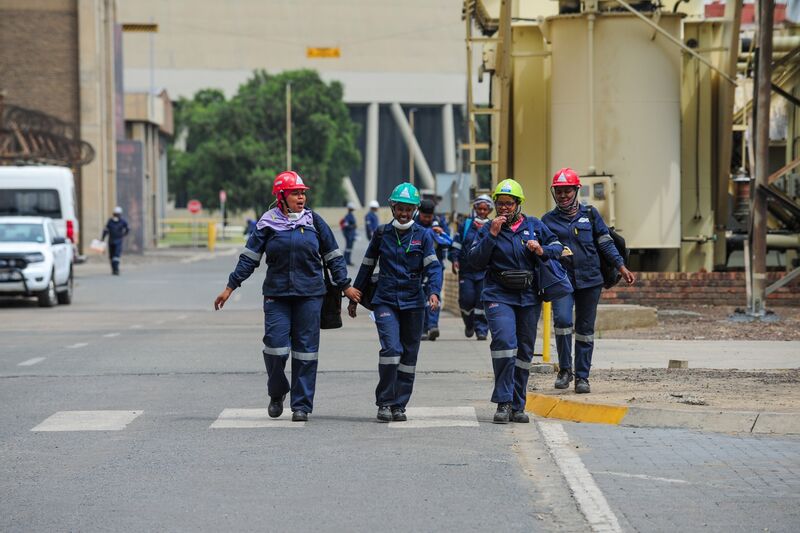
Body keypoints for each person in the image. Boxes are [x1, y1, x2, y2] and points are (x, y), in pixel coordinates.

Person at [214, 171, 361, 422]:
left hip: (311, 295)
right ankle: (277, 391)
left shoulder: (314, 221)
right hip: (277, 295)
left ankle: (301, 405)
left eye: (302, 192)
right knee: (275, 348)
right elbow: (250, 258)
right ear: (281, 196)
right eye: (295, 192)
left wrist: (345, 286)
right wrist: (230, 286)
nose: (301, 197)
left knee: (306, 352)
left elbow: (333, 256)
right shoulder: (267, 223)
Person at [467, 179, 563, 424]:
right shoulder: (489, 228)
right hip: (498, 294)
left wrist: (541, 249)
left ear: (518, 204)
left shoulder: (534, 225)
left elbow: (558, 246)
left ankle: (518, 405)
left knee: (524, 352)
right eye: (500, 204)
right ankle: (503, 402)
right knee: (504, 344)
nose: (504, 209)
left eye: (509, 204)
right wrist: (491, 236)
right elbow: (474, 261)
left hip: (528, 296)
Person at [348, 182, 442, 423]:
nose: (403, 213)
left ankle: (400, 405)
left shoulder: (424, 235)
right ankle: (385, 402)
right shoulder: (382, 233)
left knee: (409, 356)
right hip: (385, 299)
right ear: (392, 208)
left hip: (414, 300)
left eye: (408, 209)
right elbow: (367, 266)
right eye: (400, 208)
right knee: (392, 349)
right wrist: (354, 296)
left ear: (415, 210)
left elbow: (433, 267)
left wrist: (433, 292)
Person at [541, 168, 636, 394]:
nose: (563, 195)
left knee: (584, 329)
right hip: (562, 281)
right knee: (563, 322)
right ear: (555, 193)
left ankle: (582, 377)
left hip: (590, 280)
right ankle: (565, 370)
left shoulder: (591, 215)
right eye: (559, 191)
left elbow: (606, 243)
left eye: (567, 191)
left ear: (576, 191)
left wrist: (621, 266)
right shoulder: (547, 221)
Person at [450, 194, 494, 341]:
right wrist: (455, 259)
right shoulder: (466, 225)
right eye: (479, 208)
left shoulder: (493, 226)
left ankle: (481, 330)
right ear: (474, 208)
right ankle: (469, 324)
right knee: (466, 300)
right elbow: (456, 244)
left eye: (485, 209)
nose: (481, 212)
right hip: (466, 271)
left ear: (489, 210)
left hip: (484, 271)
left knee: (481, 301)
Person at [415, 198, 450, 341]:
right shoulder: (413, 223)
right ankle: (423, 328)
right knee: (421, 297)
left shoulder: (439, 223)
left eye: (429, 217)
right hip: (418, 267)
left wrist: (440, 233)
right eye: (424, 216)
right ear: (419, 213)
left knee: (434, 294)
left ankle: (433, 326)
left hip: (436, 266)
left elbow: (449, 242)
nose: (427, 219)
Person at [101, 206, 129, 275]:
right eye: (115, 214)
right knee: (111, 255)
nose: (116, 215)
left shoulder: (122, 221)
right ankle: (113, 269)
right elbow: (106, 230)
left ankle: (116, 268)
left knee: (116, 255)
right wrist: (102, 238)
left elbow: (127, 228)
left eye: (118, 214)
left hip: (118, 240)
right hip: (111, 240)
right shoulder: (110, 221)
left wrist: (124, 234)